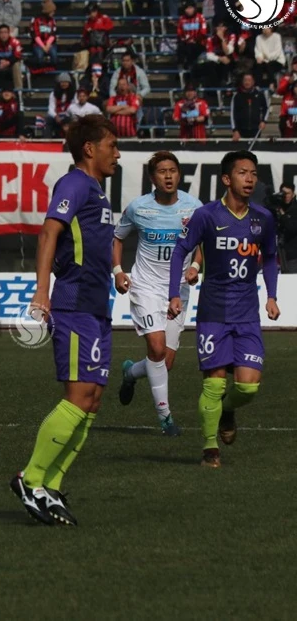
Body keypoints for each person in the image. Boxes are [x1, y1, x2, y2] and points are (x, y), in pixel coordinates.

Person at [10, 114, 120, 526]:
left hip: (96, 306)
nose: (117, 154)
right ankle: (30, 479)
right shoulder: (74, 183)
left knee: (93, 399)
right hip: (74, 304)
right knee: (78, 396)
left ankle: (50, 486)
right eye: (112, 146)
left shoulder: (97, 192)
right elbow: (48, 233)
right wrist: (42, 290)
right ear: (90, 149)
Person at [167, 151, 281, 468]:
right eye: (243, 173)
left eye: (253, 173)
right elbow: (180, 250)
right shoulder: (206, 215)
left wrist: (272, 296)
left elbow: (270, 257)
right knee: (214, 383)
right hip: (213, 313)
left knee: (247, 386)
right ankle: (209, 450)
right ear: (227, 179)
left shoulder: (263, 218)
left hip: (247, 314)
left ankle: (227, 410)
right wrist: (174, 293)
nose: (250, 179)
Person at [114, 151, 203, 435]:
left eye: (172, 170)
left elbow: (200, 243)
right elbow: (117, 238)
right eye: (162, 171)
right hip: (146, 287)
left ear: (179, 174)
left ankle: (130, 372)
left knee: (166, 361)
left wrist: (196, 266)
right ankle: (166, 418)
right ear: (153, 178)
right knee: (156, 347)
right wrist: (118, 271)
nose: (168, 176)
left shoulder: (194, 207)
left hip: (178, 290)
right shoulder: (139, 207)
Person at [230, 73, 268, 141]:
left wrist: (263, 121)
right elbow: (232, 113)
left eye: (249, 80)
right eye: (245, 80)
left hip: (256, 129)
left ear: (253, 82)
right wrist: (235, 130)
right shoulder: (237, 96)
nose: (247, 82)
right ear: (242, 82)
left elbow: (266, 108)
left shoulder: (260, 94)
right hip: (241, 131)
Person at [0, 24, 23, 91]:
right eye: (1, 32)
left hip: (11, 64)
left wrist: (8, 62)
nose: (3, 35)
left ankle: (19, 90)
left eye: (5, 32)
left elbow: (17, 56)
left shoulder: (15, 42)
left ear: (9, 33)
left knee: (16, 65)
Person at [176, 2, 207, 70]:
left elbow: (203, 32)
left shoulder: (200, 17)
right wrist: (184, 40)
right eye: (186, 8)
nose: (188, 10)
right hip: (186, 43)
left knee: (192, 49)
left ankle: (190, 68)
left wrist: (195, 40)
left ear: (194, 8)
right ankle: (181, 69)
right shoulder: (181, 19)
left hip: (199, 43)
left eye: (190, 8)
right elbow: (179, 33)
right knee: (180, 48)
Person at [30, 0, 58, 70]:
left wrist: (48, 44)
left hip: (50, 44)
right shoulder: (36, 20)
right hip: (38, 44)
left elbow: (53, 34)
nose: (54, 13)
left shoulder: (52, 20)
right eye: (52, 11)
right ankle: (40, 71)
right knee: (39, 57)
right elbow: (35, 35)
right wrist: (43, 46)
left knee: (54, 56)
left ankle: (51, 70)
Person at [46, 72, 74, 139]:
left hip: (68, 115)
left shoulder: (73, 94)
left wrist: (67, 115)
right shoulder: (53, 94)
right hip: (57, 115)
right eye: (62, 82)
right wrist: (55, 116)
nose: (64, 84)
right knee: (49, 119)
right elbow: (51, 108)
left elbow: (74, 107)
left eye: (66, 82)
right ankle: (47, 140)